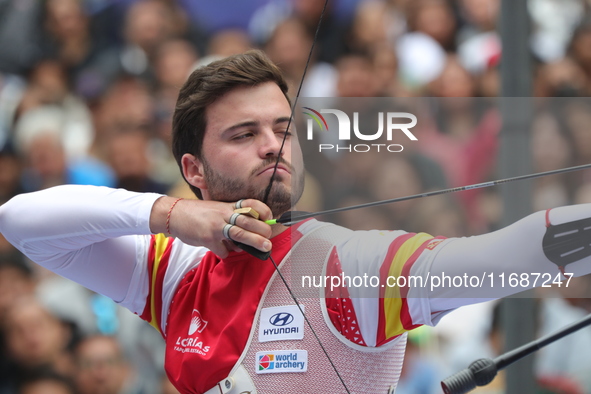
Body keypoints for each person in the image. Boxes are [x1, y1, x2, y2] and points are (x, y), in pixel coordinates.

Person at [1, 50, 591, 393]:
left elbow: (505, 255)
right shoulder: (176, 270)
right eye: (244, 134)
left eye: (283, 129)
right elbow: (20, 220)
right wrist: (174, 214)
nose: (274, 146)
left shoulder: (346, 266)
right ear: (193, 168)